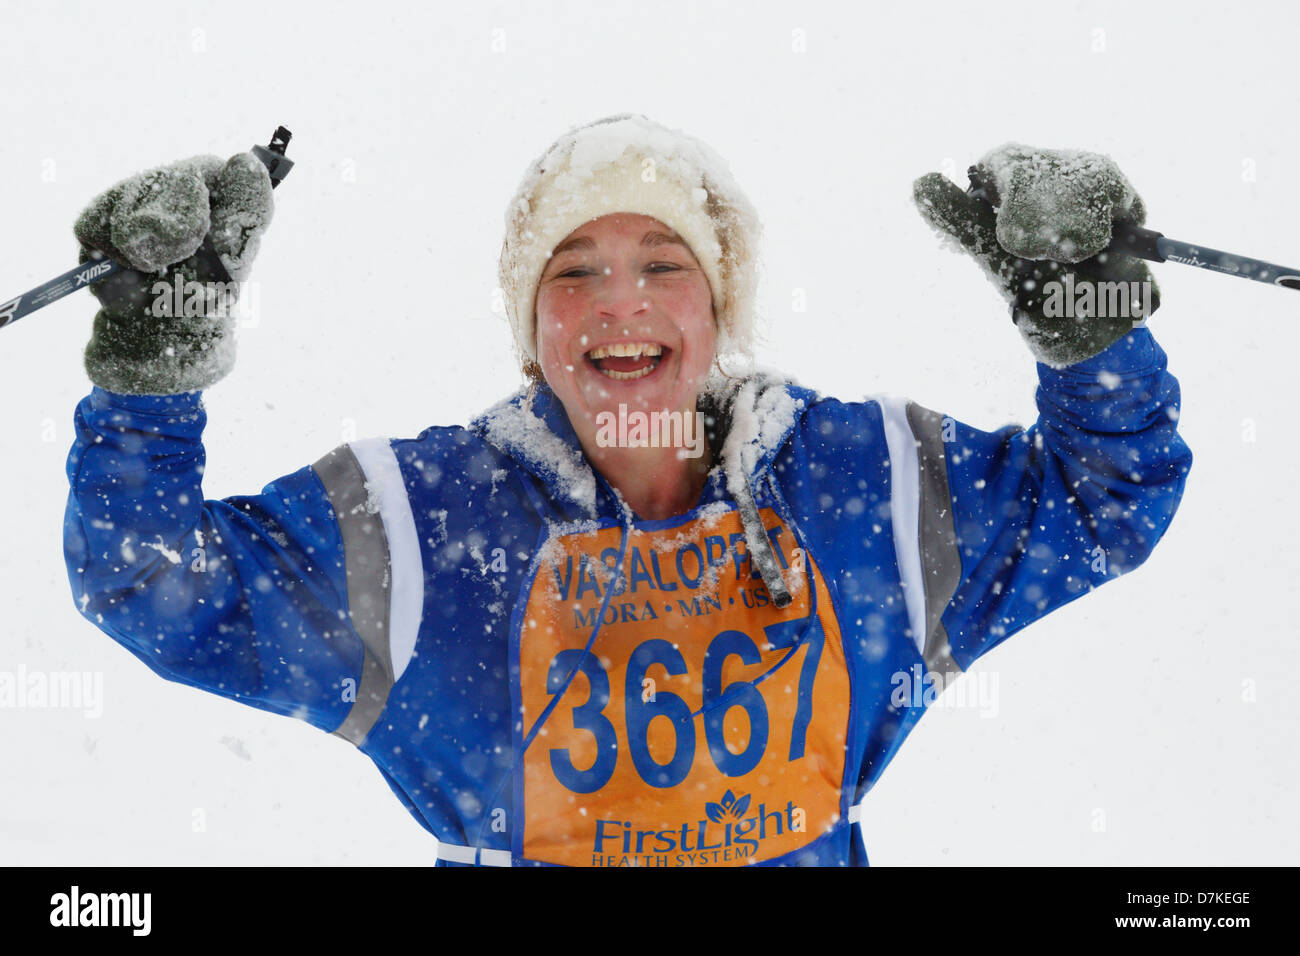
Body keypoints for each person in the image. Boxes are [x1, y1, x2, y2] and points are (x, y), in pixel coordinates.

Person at [63, 113, 1192, 867]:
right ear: (530, 330)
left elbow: (1104, 499)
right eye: (573, 271)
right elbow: (148, 579)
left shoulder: (862, 486)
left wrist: (1083, 324)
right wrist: (153, 371)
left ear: (717, 308)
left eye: (663, 263)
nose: (620, 303)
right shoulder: (425, 526)